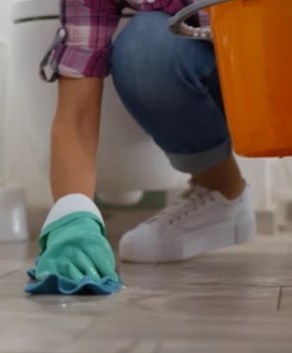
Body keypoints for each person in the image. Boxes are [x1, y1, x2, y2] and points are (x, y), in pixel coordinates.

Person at [32, 0, 256, 283]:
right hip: (221, 62)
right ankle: (222, 191)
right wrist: (72, 222)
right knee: (146, 51)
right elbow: (76, 113)